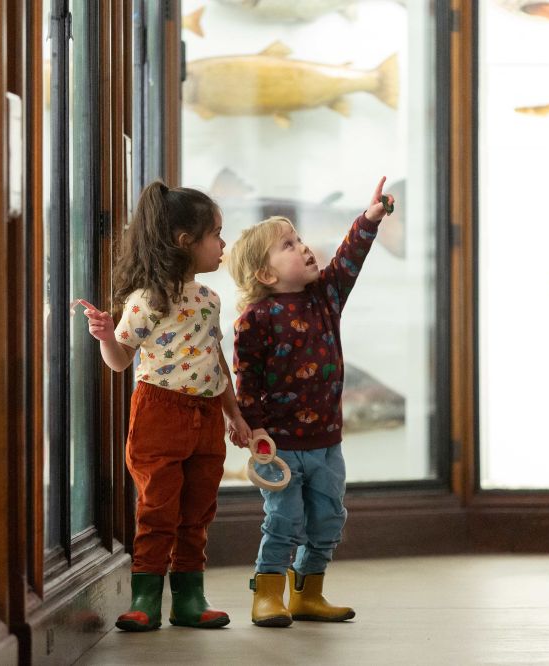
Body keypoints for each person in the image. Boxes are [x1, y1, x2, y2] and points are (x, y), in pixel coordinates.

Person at [82, 180, 252, 632]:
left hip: (206, 415)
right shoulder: (147, 300)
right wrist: (104, 336)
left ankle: (189, 598)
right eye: (216, 234)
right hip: (159, 412)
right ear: (185, 242)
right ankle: (145, 597)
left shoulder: (209, 300)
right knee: (158, 507)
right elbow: (120, 362)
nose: (223, 244)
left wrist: (234, 414)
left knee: (197, 510)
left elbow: (215, 360)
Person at [228, 176, 394, 627]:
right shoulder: (254, 321)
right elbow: (247, 381)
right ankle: (267, 593)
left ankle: (307, 592)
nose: (303, 247)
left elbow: (348, 260)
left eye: (299, 239)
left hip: (326, 443)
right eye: (288, 244)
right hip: (278, 445)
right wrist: (255, 429)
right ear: (266, 274)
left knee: (327, 520)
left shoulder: (326, 297)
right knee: (283, 521)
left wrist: (370, 218)